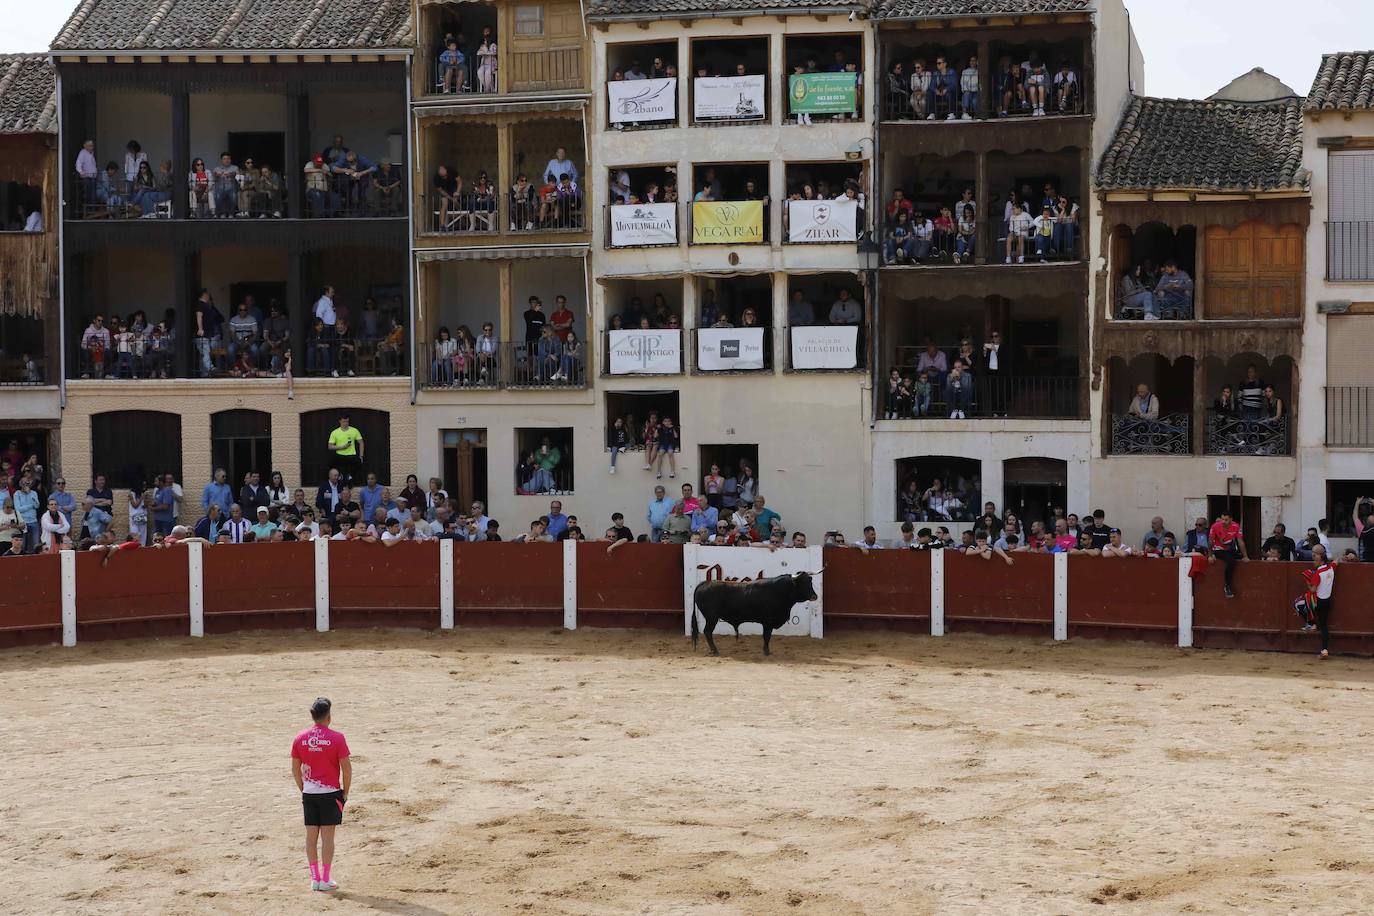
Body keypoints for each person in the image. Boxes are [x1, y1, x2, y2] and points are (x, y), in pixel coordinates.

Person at [292, 697, 352, 892]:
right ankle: (325, 878)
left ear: (312, 716)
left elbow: (295, 769)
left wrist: (305, 789)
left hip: (310, 793)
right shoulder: (337, 738)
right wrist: (345, 792)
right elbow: (347, 769)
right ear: (329, 717)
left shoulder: (300, 738)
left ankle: (315, 878)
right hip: (330, 793)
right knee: (327, 838)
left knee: (311, 837)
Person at [1302, 545, 1337, 659]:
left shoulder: (1318, 573)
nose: (1313, 558)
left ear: (1320, 557)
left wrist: (1307, 580)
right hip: (1327, 601)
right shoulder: (1331, 567)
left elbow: (1312, 589)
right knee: (1324, 625)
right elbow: (1337, 561)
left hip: (1319, 602)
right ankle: (1325, 650)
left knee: (1301, 603)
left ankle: (1311, 624)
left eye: (1315, 555)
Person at [1210, 511, 1247, 598]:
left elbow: (1240, 541)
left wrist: (1245, 556)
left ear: (1231, 519)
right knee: (1231, 561)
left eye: (1226, 520)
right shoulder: (1215, 526)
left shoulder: (1236, 526)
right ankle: (1227, 585)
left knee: (1238, 557)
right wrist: (1210, 555)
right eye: (1222, 519)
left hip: (1230, 550)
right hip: (1218, 550)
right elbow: (1210, 541)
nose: (1223, 521)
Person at [327, 414, 364, 484]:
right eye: (344, 421)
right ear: (340, 421)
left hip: (351, 454)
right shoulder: (335, 432)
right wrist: (342, 447)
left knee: (359, 463)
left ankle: (350, 477)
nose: (346, 423)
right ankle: (339, 476)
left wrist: (361, 456)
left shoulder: (354, 430)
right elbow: (330, 446)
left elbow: (361, 442)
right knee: (329, 464)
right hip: (339, 455)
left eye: (347, 421)